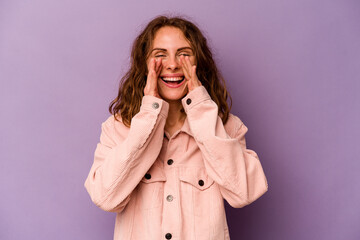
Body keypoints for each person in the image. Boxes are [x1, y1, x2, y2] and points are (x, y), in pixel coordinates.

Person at [84, 15, 268, 240]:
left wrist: (201, 108)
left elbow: (244, 192)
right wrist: (149, 114)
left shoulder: (226, 127)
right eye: (160, 55)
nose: (172, 64)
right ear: (144, 65)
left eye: (183, 54)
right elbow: (105, 197)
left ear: (199, 63)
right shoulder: (118, 129)